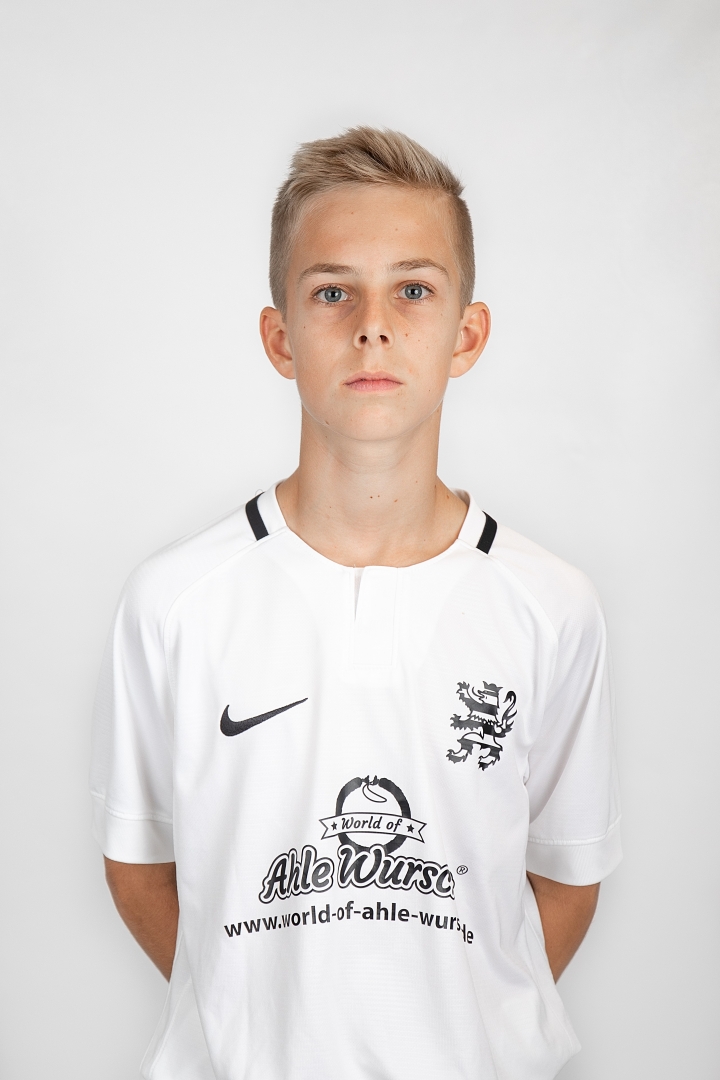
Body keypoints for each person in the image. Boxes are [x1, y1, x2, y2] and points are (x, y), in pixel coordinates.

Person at [91, 127, 621, 1080]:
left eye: (413, 290)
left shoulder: (551, 604)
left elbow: (567, 877)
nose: (373, 326)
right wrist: (261, 1032)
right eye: (332, 292)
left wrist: (457, 1039)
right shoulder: (176, 600)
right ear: (279, 337)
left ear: (467, 334)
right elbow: (138, 868)